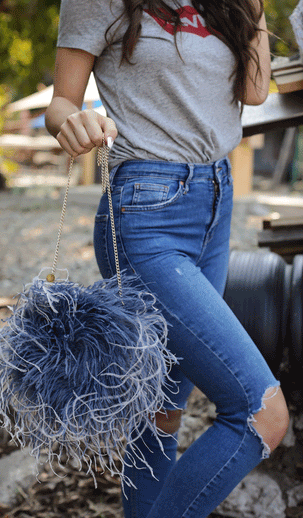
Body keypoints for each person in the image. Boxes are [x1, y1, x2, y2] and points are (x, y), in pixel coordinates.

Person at [45, 1, 290, 516]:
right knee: (259, 412)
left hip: (216, 204)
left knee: (161, 411)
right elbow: (60, 104)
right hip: (146, 210)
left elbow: (255, 90)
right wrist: (75, 122)